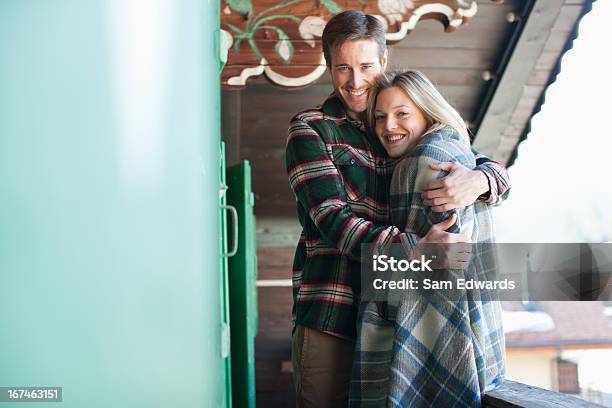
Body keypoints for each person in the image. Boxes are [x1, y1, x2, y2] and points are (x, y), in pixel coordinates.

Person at [285, 10, 509, 408]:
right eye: (343, 68)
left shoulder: (399, 119)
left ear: (383, 62)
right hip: (334, 309)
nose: (355, 81)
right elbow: (331, 217)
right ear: (329, 68)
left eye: (366, 66)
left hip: (395, 312)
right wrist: (416, 249)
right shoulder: (311, 128)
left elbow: (485, 166)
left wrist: (481, 180)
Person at [349, 69, 505, 407]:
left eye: (402, 114)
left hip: (432, 333)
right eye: (380, 117)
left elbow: (437, 276)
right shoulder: (452, 151)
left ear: (428, 112)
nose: (388, 126)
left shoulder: (427, 159)